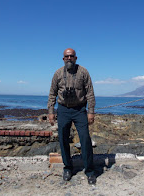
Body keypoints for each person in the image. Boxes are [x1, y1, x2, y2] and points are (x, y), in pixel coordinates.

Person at [47, 48, 96, 185]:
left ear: (76, 58)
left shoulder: (83, 72)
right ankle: (68, 168)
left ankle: (90, 171)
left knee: (85, 139)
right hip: (63, 110)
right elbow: (52, 94)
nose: (69, 58)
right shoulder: (57, 74)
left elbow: (90, 93)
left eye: (71, 56)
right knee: (63, 139)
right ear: (63, 59)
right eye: (66, 56)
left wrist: (91, 111)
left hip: (80, 109)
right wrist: (51, 112)